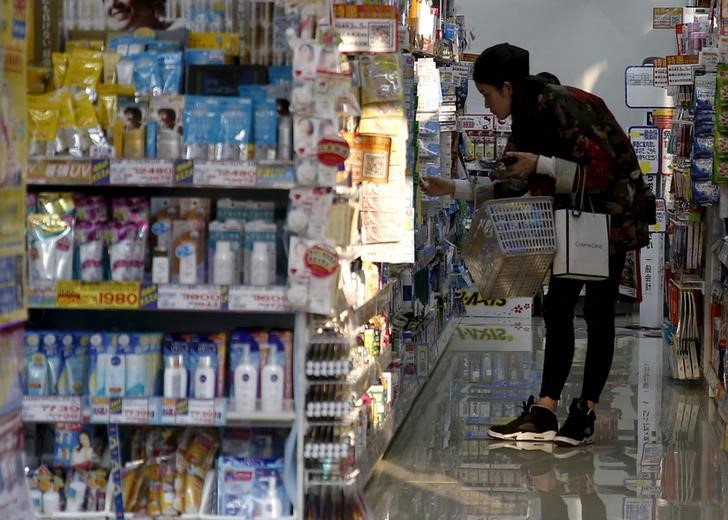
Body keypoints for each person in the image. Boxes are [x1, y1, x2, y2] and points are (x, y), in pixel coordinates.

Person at [422, 43, 652, 446]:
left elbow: (602, 171)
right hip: (574, 218)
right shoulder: (526, 117)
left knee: (599, 312)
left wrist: (542, 165)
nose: (488, 105)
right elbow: (515, 179)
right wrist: (454, 188)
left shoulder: (564, 106)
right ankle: (544, 410)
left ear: (508, 87)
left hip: (611, 219)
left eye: (488, 95)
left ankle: (584, 413)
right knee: (560, 305)